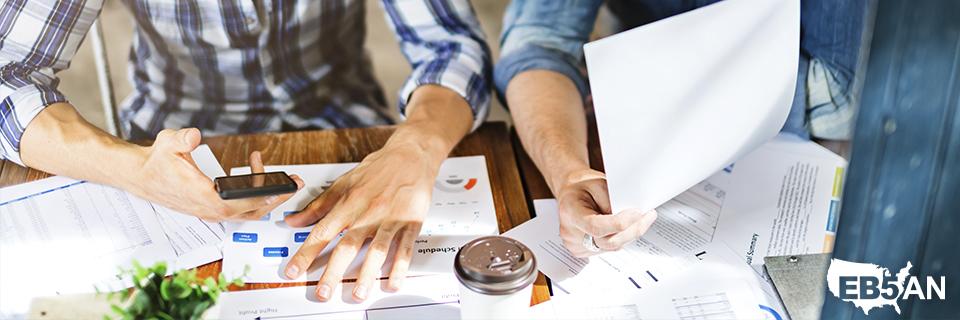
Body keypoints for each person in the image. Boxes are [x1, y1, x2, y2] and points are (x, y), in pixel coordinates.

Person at [0, 0, 490, 302]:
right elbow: (7, 75)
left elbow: (451, 45)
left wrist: (417, 144)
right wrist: (134, 168)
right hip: (172, 144)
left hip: (349, 126)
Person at [495, 0, 866, 257]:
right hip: (629, 136)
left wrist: (652, 83)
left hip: (809, 160)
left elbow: (842, 89)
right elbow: (538, 43)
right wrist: (569, 175)